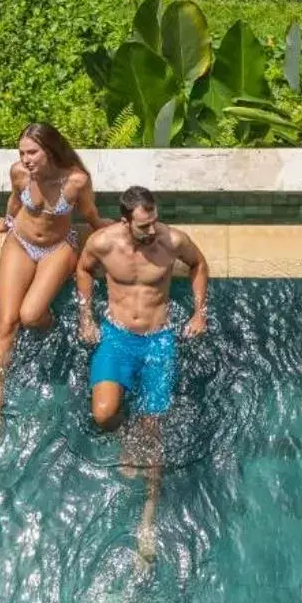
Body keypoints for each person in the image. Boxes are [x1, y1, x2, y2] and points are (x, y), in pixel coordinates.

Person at [75, 185, 209, 563]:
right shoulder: (103, 243)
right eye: (143, 226)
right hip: (116, 336)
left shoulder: (173, 240)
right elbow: (83, 270)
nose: (152, 231)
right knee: (103, 414)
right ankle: (125, 436)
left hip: (158, 340)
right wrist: (85, 316)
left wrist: (199, 312)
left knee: (154, 435)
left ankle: (147, 524)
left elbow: (199, 265)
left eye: (153, 222)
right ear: (124, 221)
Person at [0, 123, 107, 453]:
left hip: (58, 247)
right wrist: (5, 221)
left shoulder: (75, 180)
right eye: (21, 152)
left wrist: (103, 232)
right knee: (7, 323)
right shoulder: (20, 174)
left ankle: (53, 330)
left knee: (32, 315)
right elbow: (14, 204)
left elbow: (91, 213)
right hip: (20, 243)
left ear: (50, 150)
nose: (25, 159)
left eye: (31, 152)